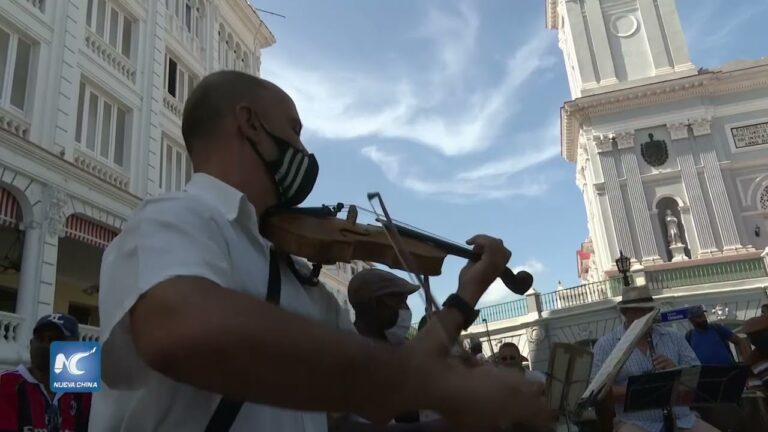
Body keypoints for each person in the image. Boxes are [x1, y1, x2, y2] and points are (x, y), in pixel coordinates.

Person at [89, 71, 551, 432]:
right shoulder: (173, 219)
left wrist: (464, 298)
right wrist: (445, 386)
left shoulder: (297, 276)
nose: (303, 149)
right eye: (294, 129)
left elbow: (383, 382)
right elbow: (183, 330)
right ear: (249, 123)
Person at [590, 286, 718, 431]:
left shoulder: (673, 336)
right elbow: (596, 392)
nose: (645, 315)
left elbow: (698, 375)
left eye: (648, 310)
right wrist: (642, 389)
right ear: (625, 313)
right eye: (637, 311)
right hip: (635, 422)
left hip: (681, 419)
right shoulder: (606, 344)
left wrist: (674, 369)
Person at [0, 313, 91, 431]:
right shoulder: (5, 384)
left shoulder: (83, 393)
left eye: (56, 339)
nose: (46, 345)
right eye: (40, 338)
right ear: (31, 343)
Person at [685, 305, 751, 364]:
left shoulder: (716, 328)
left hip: (728, 371)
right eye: (699, 317)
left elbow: (740, 341)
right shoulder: (689, 336)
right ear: (691, 320)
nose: (703, 319)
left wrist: (746, 361)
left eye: (703, 316)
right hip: (706, 374)